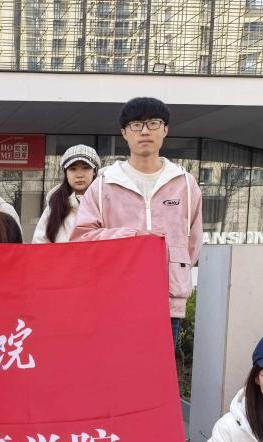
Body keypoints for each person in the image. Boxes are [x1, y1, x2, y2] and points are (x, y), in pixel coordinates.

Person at [70, 97, 203, 346]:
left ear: (165, 130)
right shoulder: (104, 184)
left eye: (153, 123)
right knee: (113, 367)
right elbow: (82, 238)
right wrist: (133, 237)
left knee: (158, 370)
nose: (144, 131)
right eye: (136, 125)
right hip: (114, 299)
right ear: (124, 133)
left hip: (167, 303)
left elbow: (192, 243)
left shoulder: (185, 183)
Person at [32, 144, 101, 244]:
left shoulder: (104, 203)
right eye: (73, 169)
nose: (79, 175)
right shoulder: (54, 206)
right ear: (66, 173)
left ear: (94, 171)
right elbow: (39, 243)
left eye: (86, 168)